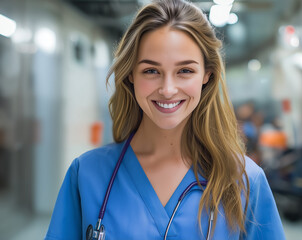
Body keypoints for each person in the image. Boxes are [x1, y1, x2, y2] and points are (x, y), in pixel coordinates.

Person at [45, 0, 285, 239]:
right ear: (130, 75)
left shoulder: (244, 181)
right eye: (151, 71)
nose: (168, 89)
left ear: (206, 75)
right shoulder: (87, 175)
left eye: (185, 71)